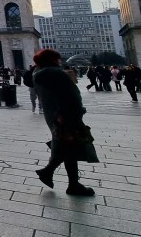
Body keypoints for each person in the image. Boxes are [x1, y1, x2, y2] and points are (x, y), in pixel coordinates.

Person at [31, 49, 97, 197]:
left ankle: (61, 178)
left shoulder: (37, 75)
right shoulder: (57, 74)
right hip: (66, 115)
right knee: (69, 146)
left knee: (67, 146)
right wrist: (79, 110)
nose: (60, 61)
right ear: (53, 60)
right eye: (58, 58)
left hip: (53, 116)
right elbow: (73, 95)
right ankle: (65, 181)